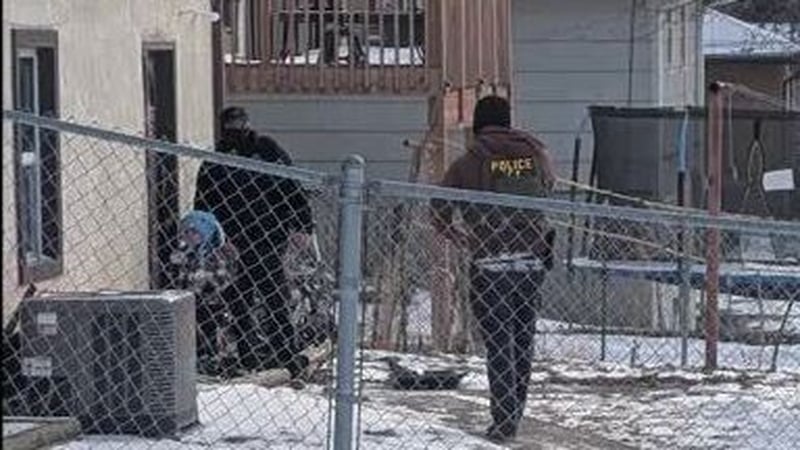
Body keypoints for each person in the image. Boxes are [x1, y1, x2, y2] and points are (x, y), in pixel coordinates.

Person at [432, 95, 556, 442]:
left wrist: (457, 236)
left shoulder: (468, 163)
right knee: (523, 339)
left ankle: (503, 422)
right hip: (531, 262)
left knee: (499, 343)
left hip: (489, 264)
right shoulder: (535, 153)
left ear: (478, 123)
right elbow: (548, 187)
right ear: (508, 120)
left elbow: (439, 207)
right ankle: (514, 411)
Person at [194, 106, 314, 379]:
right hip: (233, 241)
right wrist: (217, 238)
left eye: (239, 125)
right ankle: (248, 356)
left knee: (273, 295)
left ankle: (284, 353)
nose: (235, 131)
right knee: (238, 298)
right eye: (230, 127)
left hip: (269, 236)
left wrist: (302, 226)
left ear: (247, 125)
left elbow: (292, 188)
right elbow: (203, 204)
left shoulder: (267, 150)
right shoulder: (217, 160)